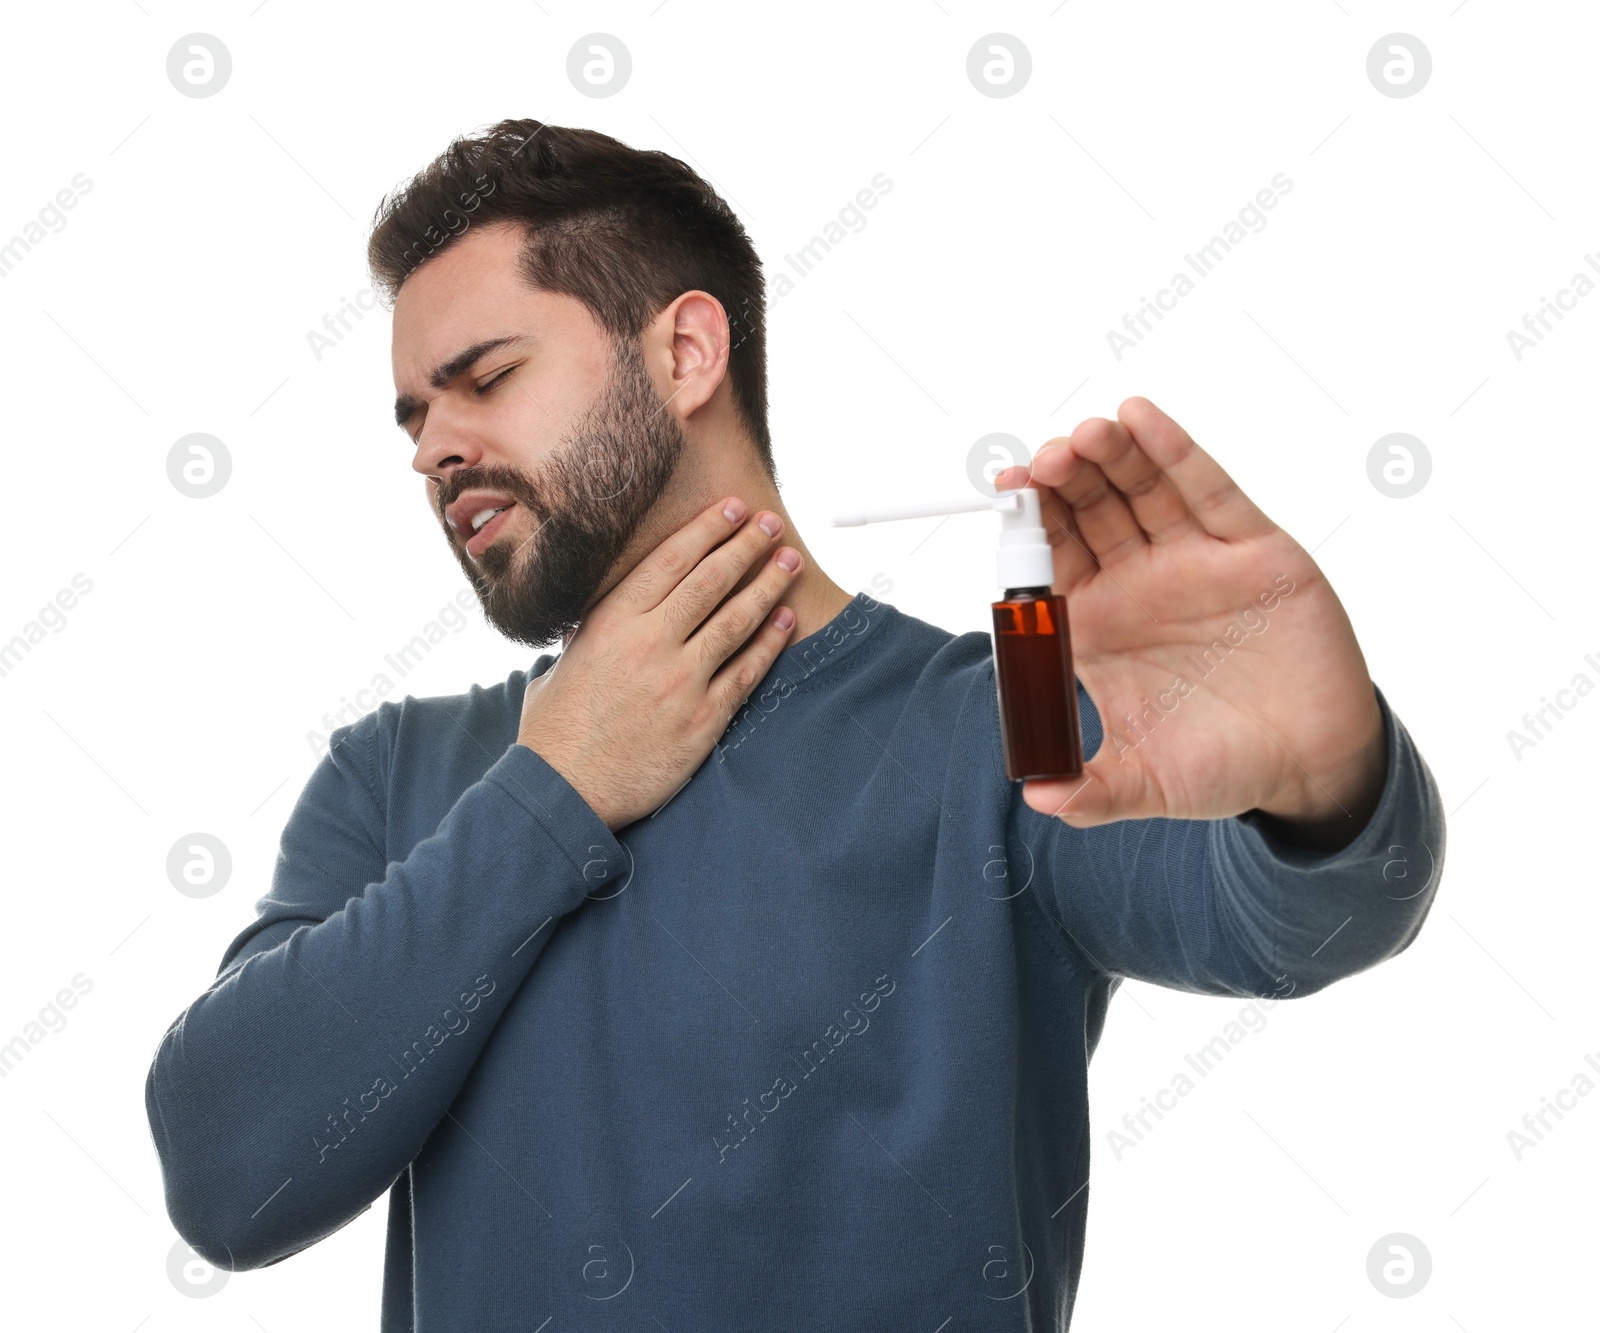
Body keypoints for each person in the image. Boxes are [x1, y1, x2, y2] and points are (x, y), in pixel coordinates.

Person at [145, 119, 1446, 1331]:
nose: (434, 448)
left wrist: (1330, 776)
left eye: (482, 378)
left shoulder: (998, 737)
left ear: (686, 353)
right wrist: (562, 784)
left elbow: (1300, 922)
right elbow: (227, 1174)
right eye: (415, 415)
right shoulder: (395, 776)